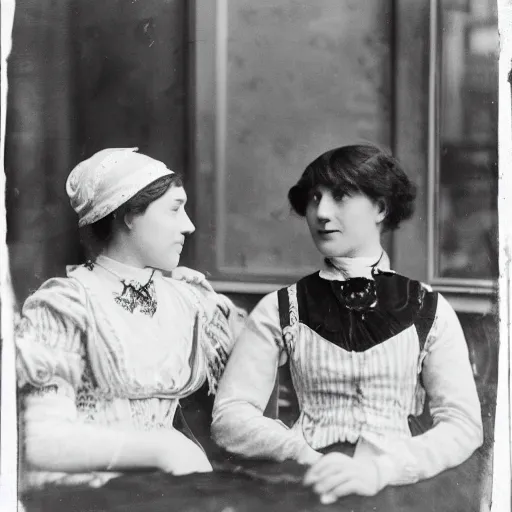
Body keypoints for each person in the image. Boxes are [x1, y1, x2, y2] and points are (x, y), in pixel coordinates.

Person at [211, 144, 483, 504]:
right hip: (308, 478)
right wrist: (300, 453)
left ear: (381, 208)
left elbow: (464, 426)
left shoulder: (427, 306)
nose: (321, 212)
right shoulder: (281, 308)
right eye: (313, 198)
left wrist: (380, 470)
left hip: (399, 483)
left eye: (340, 196)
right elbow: (230, 417)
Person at [15, 148, 244, 489]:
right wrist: (162, 449)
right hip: (86, 491)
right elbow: (40, 440)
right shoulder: (66, 305)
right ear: (129, 216)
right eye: (174, 209)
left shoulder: (187, 300)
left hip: (169, 485)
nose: (189, 226)